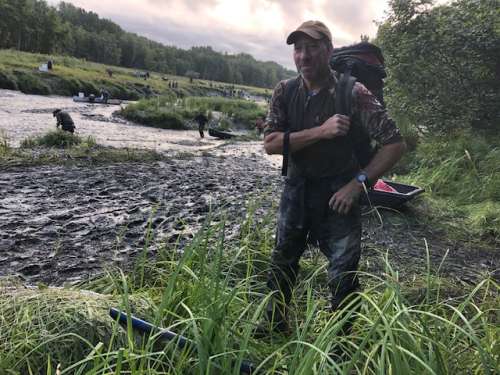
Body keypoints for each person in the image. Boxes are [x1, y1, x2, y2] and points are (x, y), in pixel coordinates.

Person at [259, 20, 406, 335]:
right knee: (282, 261)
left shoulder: (353, 92)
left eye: (312, 47)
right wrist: (321, 131)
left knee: (343, 274)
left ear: (328, 50)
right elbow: (270, 144)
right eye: (298, 49)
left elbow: (395, 144)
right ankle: (273, 324)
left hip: (340, 194)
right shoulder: (284, 91)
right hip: (295, 190)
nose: (304, 56)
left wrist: (358, 185)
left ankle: (341, 342)